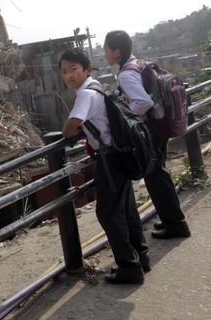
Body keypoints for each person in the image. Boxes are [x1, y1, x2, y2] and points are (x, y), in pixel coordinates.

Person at [60, 47, 149, 285]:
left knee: (109, 213)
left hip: (109, 159)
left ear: (87, 69)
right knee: (126, 209)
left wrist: (69, 130)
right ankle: (141, 257)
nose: (68, 75)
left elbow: (70, 127)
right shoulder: (96, 85)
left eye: (73, 70)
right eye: (64, 71)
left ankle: (129, 268)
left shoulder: (85, 95)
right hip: (119, 154)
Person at [103, 30, 191, 239]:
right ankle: (172, 219)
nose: (104, 54)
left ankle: (176, 224)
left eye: (106, 50)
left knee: (156, 177)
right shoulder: (140, 64)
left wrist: (127, 110)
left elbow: (144, 102)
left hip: (150, 130)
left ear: (117, 51)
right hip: (159, 125)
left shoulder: (125, 73)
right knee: (158, 174)